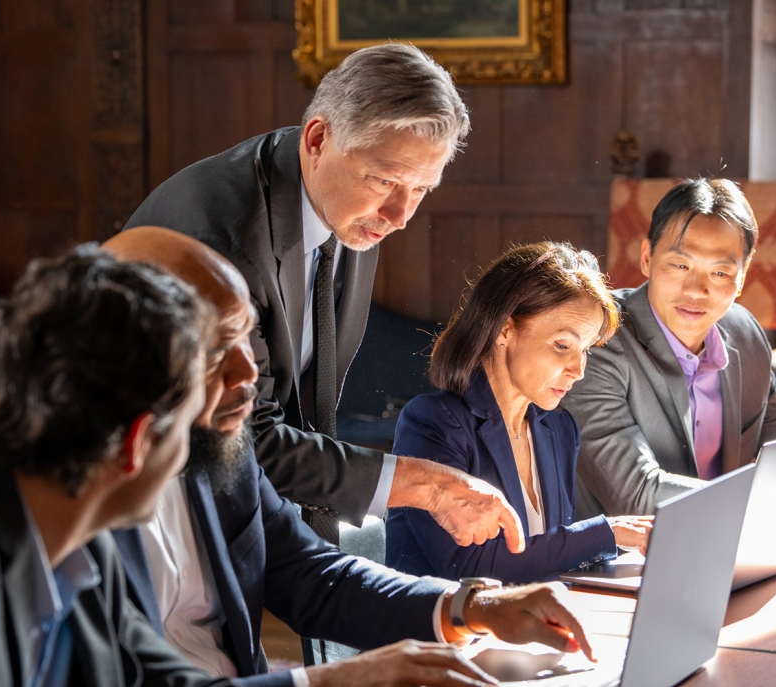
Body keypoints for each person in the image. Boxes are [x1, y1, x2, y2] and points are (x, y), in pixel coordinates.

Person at [104, 227, 597, 687]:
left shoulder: (221, 452)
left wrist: (474, 606)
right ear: (130, 356)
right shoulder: (64, 504)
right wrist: (330, 679)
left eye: (246, 342)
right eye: (215, 348)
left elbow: (313, 576)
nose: (247, 373)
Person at [124, 43, 524, 551]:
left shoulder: (346, 207)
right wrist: (422, 485)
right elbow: (241, 439)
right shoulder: (224, 241)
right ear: (317, 138)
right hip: (143, 519)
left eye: (423, 189)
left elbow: (306, 408)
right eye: (386, 180)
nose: (401, 214)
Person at [0, 246, 228, 685]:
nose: (188, 449)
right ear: (137, 442)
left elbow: (161, 679)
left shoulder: (79, 529)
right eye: (187, 426)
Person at [561, 178, 776, 523]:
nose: (696, 290)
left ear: (743, 276)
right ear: (647, 258)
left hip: (731, 548)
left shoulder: (742, 331)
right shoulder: (599, 338)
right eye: (680, 265)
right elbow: (635, 495)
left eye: (720, 272)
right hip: (615, 563)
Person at [384, 243, 653, 584]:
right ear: (504, 330)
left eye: (585, 349)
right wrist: (607, 533)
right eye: (562, 346)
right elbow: (471, 569)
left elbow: (552, 556)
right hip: (444, 634)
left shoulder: (559, 428)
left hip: (527, 627)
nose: (578, 369)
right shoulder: (433, 423)